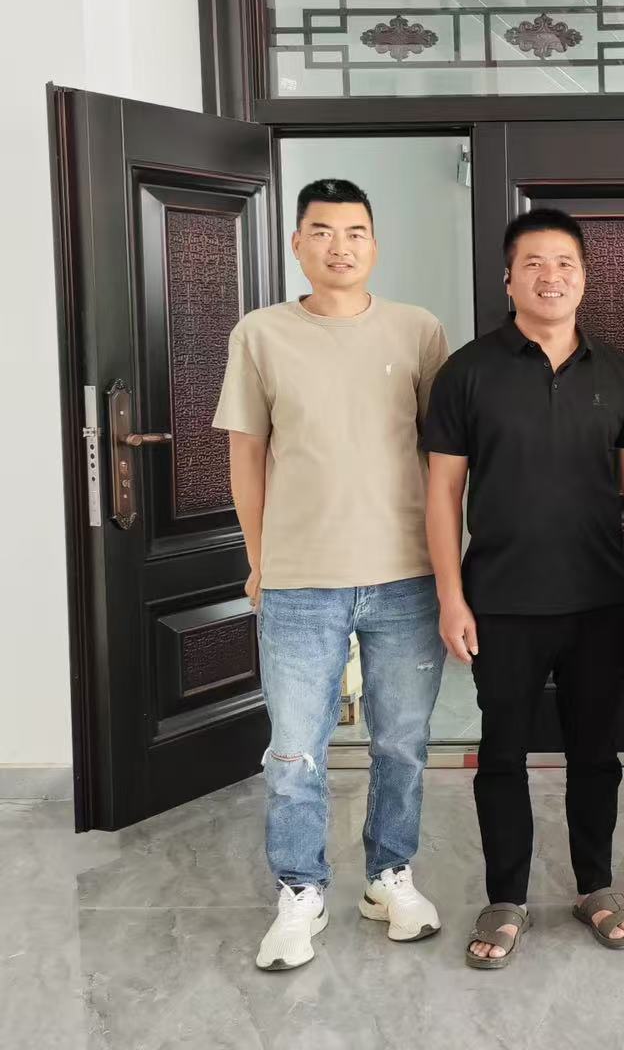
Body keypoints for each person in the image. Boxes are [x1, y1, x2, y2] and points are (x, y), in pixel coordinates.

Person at [216, 178, 450, 972]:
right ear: (297, 244)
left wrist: (450, 562)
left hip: (405, 575)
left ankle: (389, 876)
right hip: (300, 579)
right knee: (293, 750)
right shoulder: (261, 334)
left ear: (374, 245)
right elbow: (246, 455)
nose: (339, 247)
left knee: (403, 743)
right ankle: (300, 890)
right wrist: (260, 560)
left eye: (354, 232)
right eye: (321, 231)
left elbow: (445, 457)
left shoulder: (418, 330)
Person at [424, 208, 624, 968]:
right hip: (501, 602)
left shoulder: (618, 374)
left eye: (564, 263)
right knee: (502, 754)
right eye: (533, 263)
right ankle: (506, 898)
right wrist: (451, 596)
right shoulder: (468, 371)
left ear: (584, 278)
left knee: (596, 753)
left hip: (601, 600)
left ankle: (597, 885)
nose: (550, 276)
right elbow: (442, 493)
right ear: (508, 278)